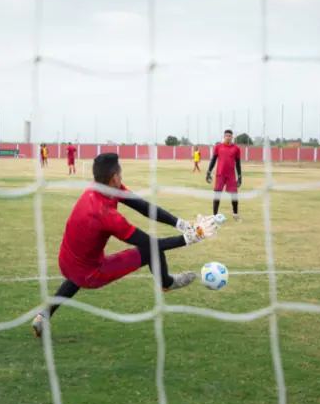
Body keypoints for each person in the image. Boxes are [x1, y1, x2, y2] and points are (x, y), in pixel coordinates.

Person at [31, 152, 220, 337]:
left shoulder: (97, 188)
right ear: (114, 178)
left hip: (66, 261)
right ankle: (167, 282)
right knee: (150, 252)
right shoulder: (107, 215)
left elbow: (143, 206)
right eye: (120, 174)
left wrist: (182, 224)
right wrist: (191, 237)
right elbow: (151, 244)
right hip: (91, 273)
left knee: (77, 272)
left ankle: (44, 315)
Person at [206, 129, 242, 220]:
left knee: (234, 195)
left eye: (230, 136)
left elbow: (238, 164)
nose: (228, 137)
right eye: (226, 136)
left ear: (232, 137)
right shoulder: (218, 147)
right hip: (220, 174)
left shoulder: (236, 149)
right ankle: (214, 216)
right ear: (224, 136)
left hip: (231, 176)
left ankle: (235, 214)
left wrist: (240, 176)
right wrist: (209, 171)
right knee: (217, 194)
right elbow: (213, 160)